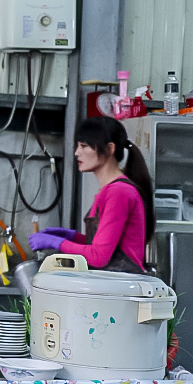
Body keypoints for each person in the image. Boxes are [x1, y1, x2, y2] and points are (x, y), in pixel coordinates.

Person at [28, 116, 155, 273]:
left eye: (84, 146)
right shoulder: (110, 191)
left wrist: (56, 242)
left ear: (109, 149)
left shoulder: (119, 193)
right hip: (111, 285)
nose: (77, 153)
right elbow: (105, 245)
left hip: (121, 288)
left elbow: (99, 257)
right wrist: (72, 237)